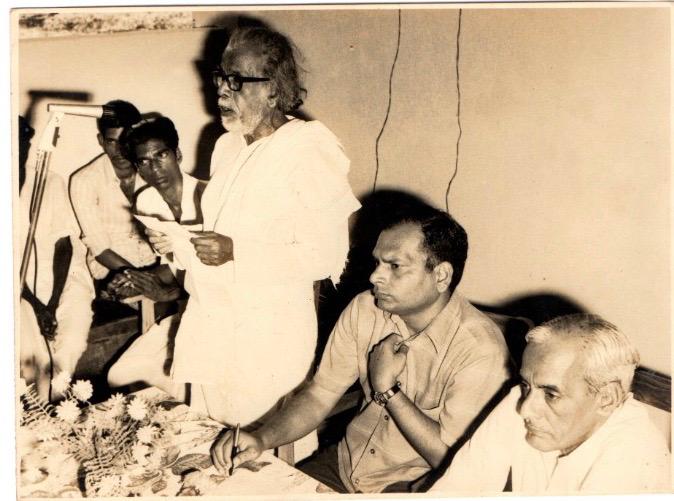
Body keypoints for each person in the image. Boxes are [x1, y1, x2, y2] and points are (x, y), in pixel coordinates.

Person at [210, 207, 512, 493]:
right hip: (344, 465)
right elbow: (321, 394)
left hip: (416, 486)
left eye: (394, 266)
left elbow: (453, 461)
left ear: (441, 276)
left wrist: (388, 391)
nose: (375, 276)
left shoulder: (480, 351)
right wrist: (261, 438)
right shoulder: (365, 309)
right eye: (377, 263)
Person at [147, 26, 361, 427]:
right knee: (205, 440)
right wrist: (179, 243)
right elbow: (222, 235)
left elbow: (326, 256)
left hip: (267, 336)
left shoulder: (309, 147)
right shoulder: (226, 145)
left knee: (252, 452)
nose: (220, 92)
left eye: (236, 81)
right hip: (212, 326)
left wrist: (236, 252)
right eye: (219, 77)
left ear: (274, 89)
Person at [429, 313, 671, 494]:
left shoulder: (633, 458)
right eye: (526, 385)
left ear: (606, 399)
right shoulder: (522, 398)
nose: (525, 409)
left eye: (551, 394)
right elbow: (454, 489)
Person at [106, 116, 205, 400]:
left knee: (186, 385)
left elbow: (220, 277)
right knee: (121, 374)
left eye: (161, 156)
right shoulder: (147, 201)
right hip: (186, 313)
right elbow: (172, 268)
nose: (155, 168)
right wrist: (136, 280)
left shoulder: (210, 197)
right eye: (144, 162)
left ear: (177, 155)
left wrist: (166, 293)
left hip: (218, 314)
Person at [19, 116, 95, 400]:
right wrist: (36, 307)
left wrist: (51, 304)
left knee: (72, 336)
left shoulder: (49, 182)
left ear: (29, 144)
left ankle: (59, 401)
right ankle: (39, 408)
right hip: (18, 289)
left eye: (22, 142)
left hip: (64, 278)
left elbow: (65, 246)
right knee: (33, 352)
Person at [69, 100, 156, 287]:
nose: (119, 150)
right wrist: (143, 281)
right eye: (111, 141)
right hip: (111, 271)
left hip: (155, 265)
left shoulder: (152, 170)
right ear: (101, 140)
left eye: (125, 140)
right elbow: (99, 248)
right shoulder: (84, 180)